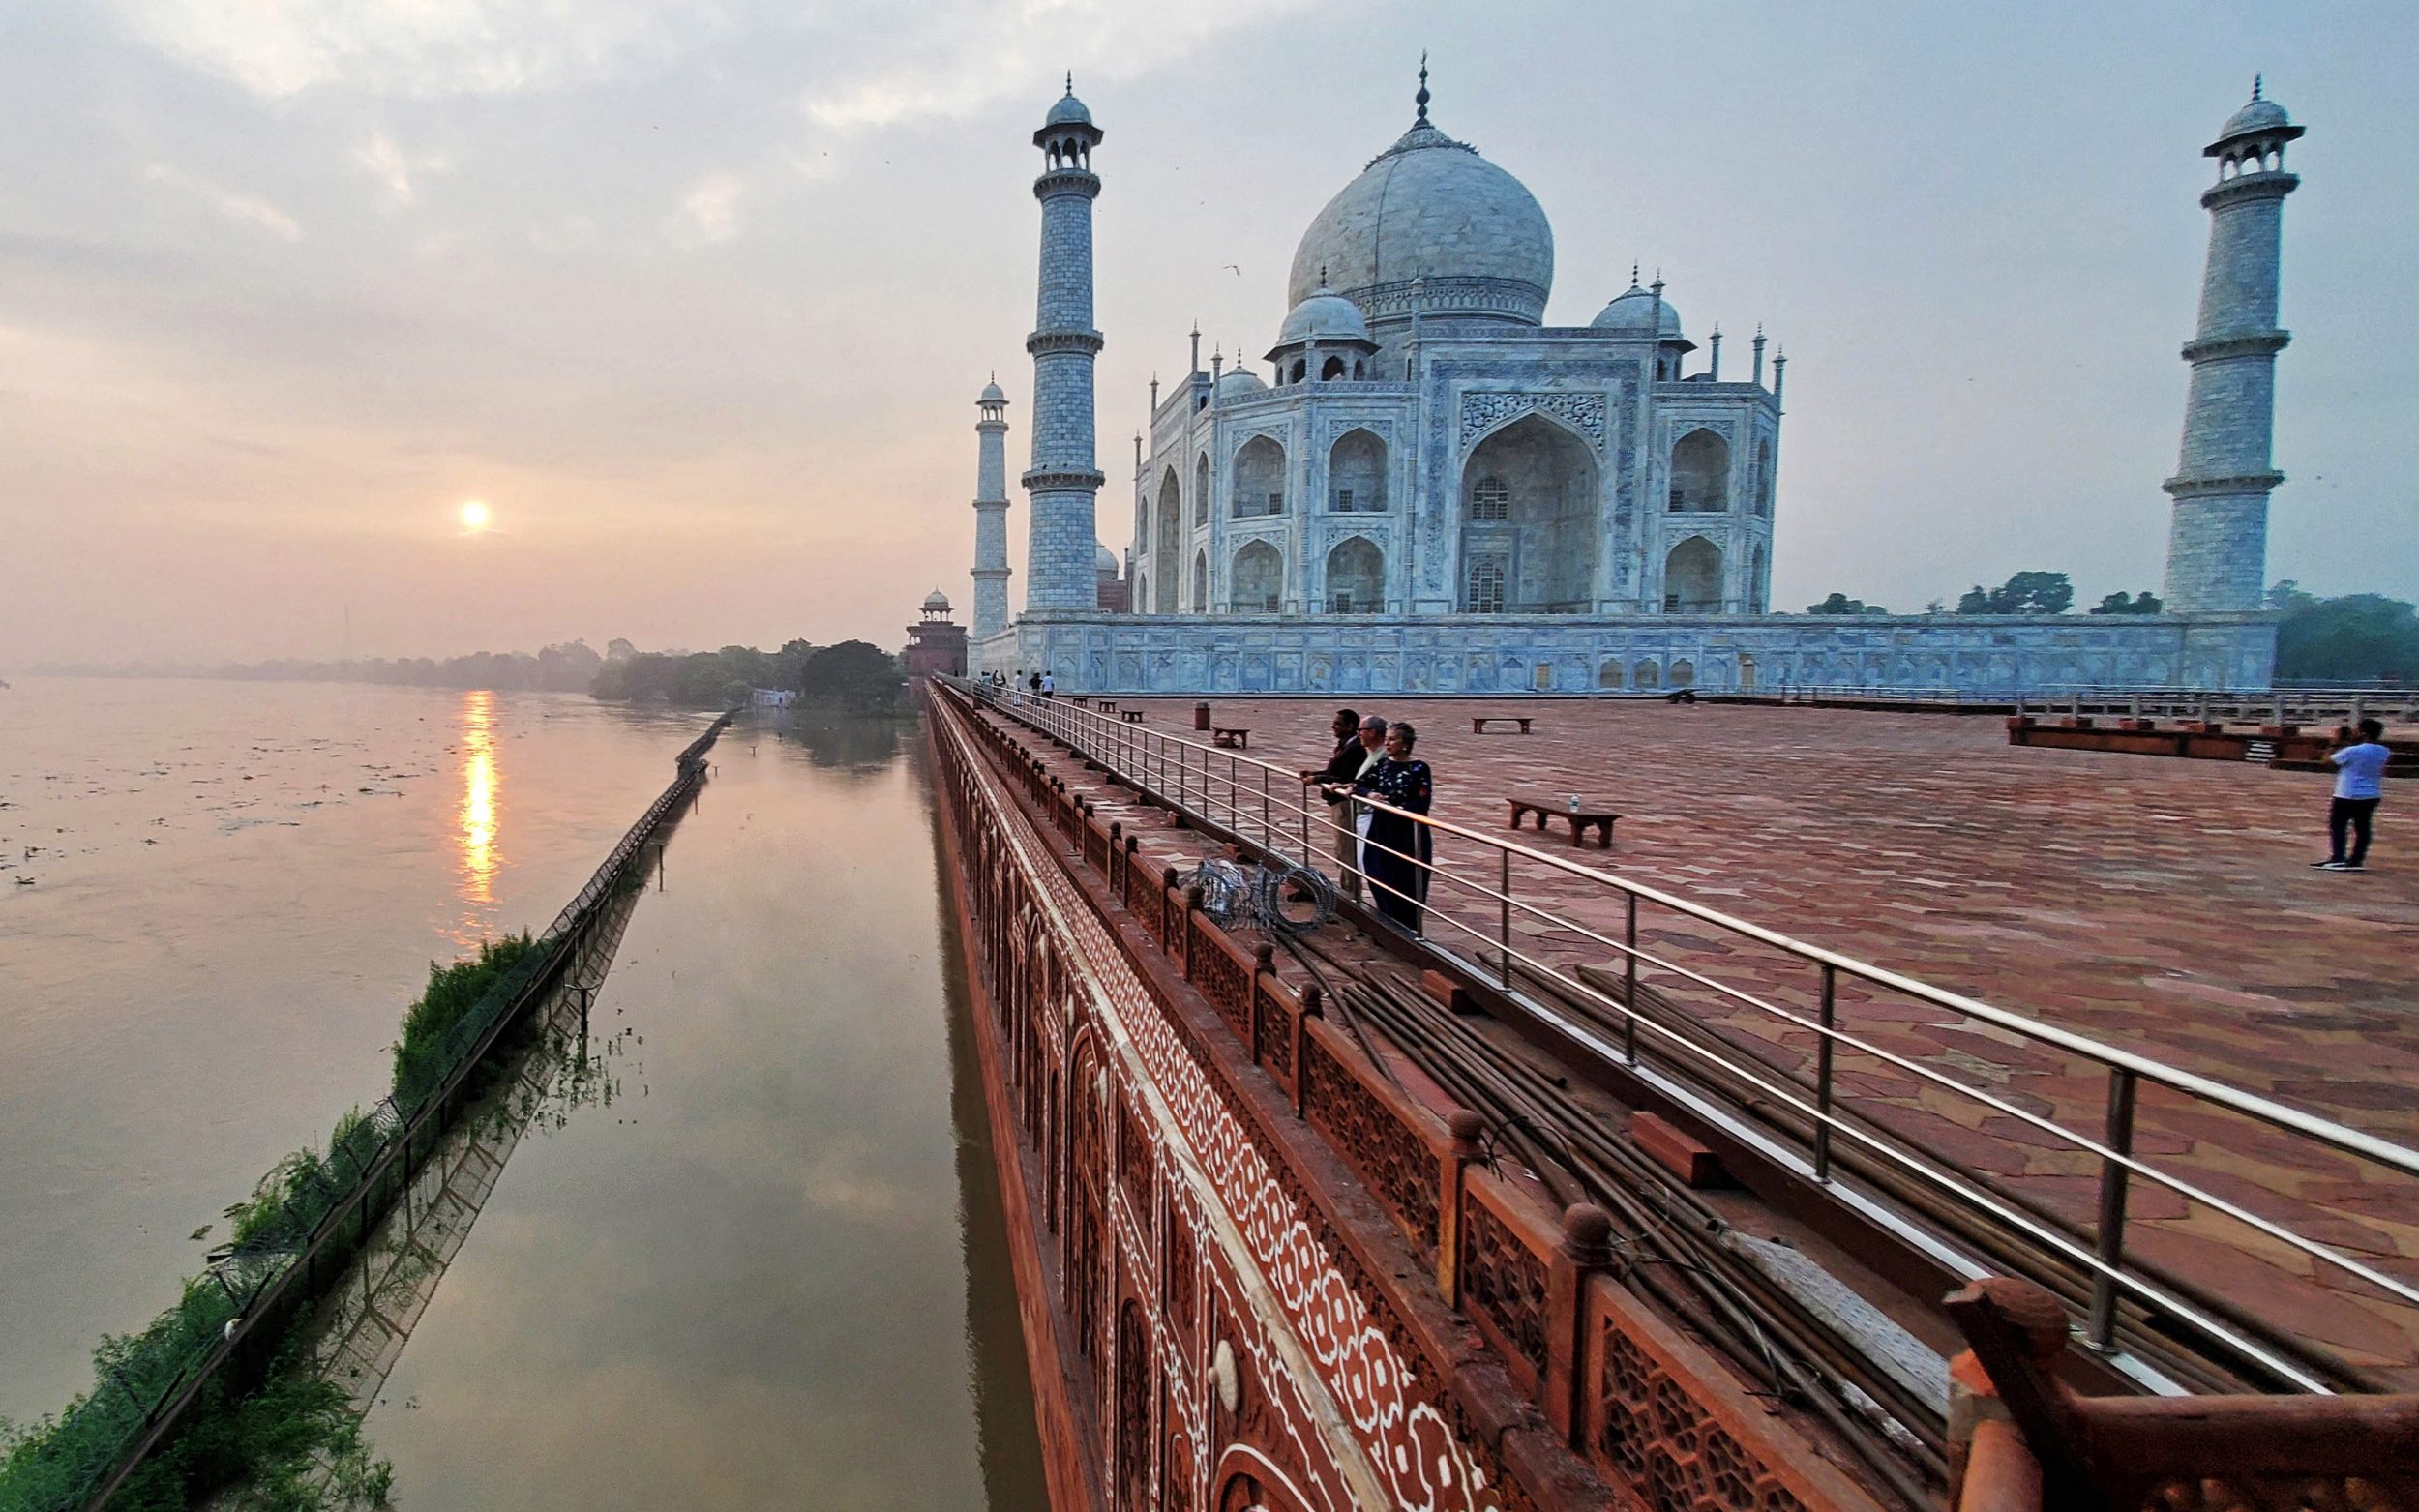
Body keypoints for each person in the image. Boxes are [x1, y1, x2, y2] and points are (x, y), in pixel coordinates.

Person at [1347, 722, 1432, 934]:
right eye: (1387, 739)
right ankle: (1387, 919)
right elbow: (1361, 783)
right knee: (1377, 870)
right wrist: (1370, 795)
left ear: (1405, 744)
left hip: (1407, 831)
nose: (1387, 742)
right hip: (1382, 827)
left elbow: (1422, 802)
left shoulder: (1419, 768)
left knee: (1406, 877)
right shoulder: (1384, 765)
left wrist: (1396, 807)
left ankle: (1408, 925)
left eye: (1393, 739)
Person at [1299, 708, 1367, 898]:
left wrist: (1317, 779)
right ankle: (1348, 889)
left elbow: (1345, 777)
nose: (1333, 727)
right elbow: (1336, 771)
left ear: (1350, 726)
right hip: (1336, 802)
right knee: (1341, 848)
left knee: (1346, 849)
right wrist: (1316, 775)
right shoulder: (1346, 745)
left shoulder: (1355, 749)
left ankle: (1351, 892)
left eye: (1338, 724)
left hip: (1343, 803)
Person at [2315, 718, 2391, 872]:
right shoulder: (2384, 751)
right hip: (2371, 793)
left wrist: (2335, 743)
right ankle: (2357, 859)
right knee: (2363, 827)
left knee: (2338, 825)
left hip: (2348, 793)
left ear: (2363, 732)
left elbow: (2326, 761)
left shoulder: (2353, 751)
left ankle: (2338, 857)